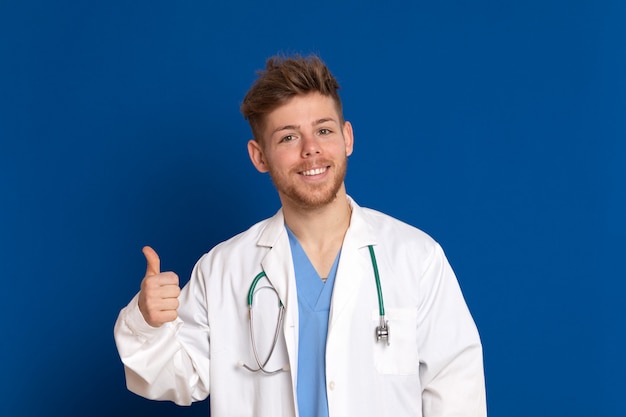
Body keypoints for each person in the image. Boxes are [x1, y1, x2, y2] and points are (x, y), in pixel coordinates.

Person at [114, 54, 487, 417]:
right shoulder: (223, 270)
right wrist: (148, 321)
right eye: (289, 137)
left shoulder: (415, 258)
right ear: (259, 156)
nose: (311, 149)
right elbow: (175, 378)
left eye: (323, 131)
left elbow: (456, 392)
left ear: (347, 138)